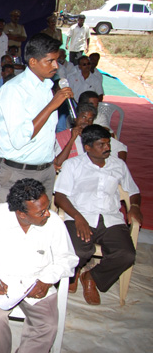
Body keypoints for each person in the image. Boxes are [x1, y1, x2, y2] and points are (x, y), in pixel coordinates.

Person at [0, 178, 78, 353]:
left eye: (47, 207)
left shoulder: (54, 223)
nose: (47, 214)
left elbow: (68, 258)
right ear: (22, 214)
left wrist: (46, 280)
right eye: (41, 212)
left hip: (37, 282)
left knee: (47, 325)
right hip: (3, 282)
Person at [54, 125, 141, 305]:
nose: (107, 148)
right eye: (101, 144)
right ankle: (75, 271)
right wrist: (78, 218)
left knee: (126, 255)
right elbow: (60, 197)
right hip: (80, 215)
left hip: (111, 218)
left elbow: (133, 190)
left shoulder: (118, 165)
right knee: (78, 251)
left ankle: (91, 277)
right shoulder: (73, 165)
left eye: (107, 143)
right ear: (87, 147)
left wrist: (134, 205)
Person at [0, 33, 74, 203]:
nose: (56, 66)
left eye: (57, 60)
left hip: (46, 170)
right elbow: (19, 139)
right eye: (50, 61)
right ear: (33, 62)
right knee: (14, 227)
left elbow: (46, 132)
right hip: (19, 174)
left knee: (40, 227)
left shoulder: (47, 86)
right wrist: (52, 105)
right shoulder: (15, 89)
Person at [54, 102, 127, 168]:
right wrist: (72, 139)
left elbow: (121, 148)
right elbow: (58, 163)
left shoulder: (96, 134)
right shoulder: (61, 136)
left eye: (90, 119)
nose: (86, 122)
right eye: (83, 117)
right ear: (75, 118)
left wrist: (118, 168)